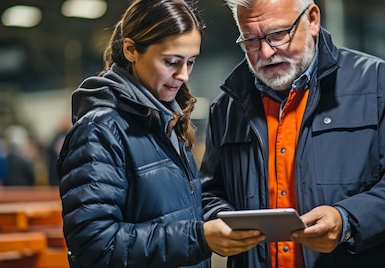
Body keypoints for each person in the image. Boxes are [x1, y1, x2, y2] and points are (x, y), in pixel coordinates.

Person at [199, 0, 385, 267]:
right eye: (251, 41)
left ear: (312, 19)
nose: (265, 52)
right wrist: (219, 221)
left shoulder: (379, 85)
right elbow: (210, 192)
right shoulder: (227, 107)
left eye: (278, 34)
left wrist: (347, 220)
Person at [56, 1, 261, 267]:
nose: (184, 74)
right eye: (171, 62)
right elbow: (94, 244)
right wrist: (198, 238)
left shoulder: (167, 123)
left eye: (191, 62)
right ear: (131, 50)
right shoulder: (99, 132)